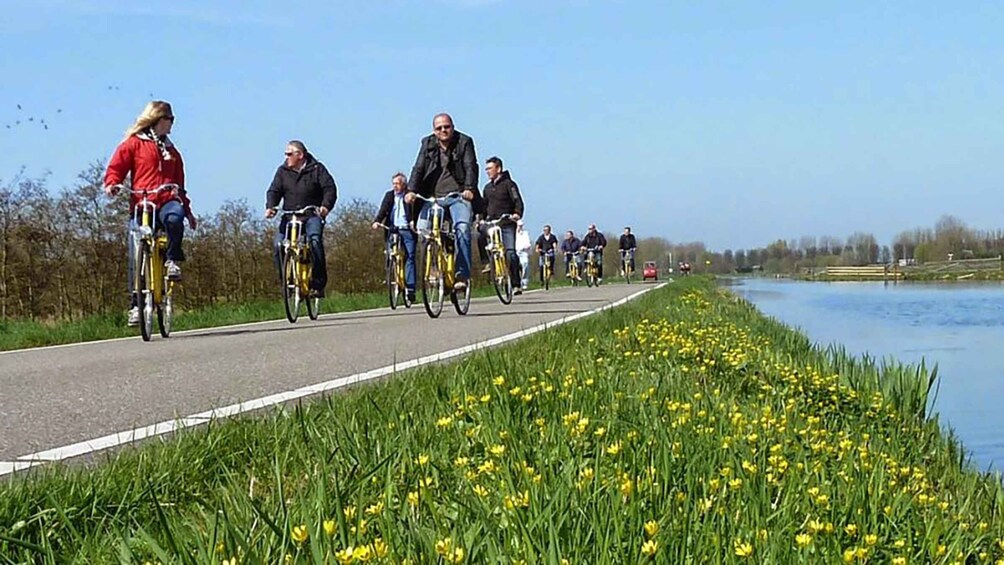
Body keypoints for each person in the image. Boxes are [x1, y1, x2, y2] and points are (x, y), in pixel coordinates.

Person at [104, 100, 196, 327]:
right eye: (170, 119)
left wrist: (188, 210)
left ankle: (173, 260)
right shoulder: (133, 144)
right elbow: (116, 167)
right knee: (136, 254)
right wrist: (113, 183)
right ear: (158, 119)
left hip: (167, 200)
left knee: (175, 219)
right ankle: (136, 305)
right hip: (142, 203)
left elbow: (180, 185)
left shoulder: (172, 151)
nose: (172, 124)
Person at [405, 113, 480, 290]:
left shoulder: (464, 142)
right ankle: (433, 269)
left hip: (458, 196)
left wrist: (469, 188)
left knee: (462, 229)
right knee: (423, 230)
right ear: (434, 131)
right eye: (439, 128)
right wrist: (411, 191)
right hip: (433, 197)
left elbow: (471, 166)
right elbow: (418, 167)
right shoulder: (427, 143)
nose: (443, 130)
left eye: (446, 127)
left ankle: (461, 274)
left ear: (452, 127)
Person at [265, 140, 337, 298]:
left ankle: (318, 283)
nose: (286, 157)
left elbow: (330, 189)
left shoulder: (317, 169)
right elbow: (274, 191)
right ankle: (287, 282)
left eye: (289, 154)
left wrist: (325, 207)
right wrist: (271, 206)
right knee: (278, 245)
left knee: (315, 241)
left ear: (300, 155)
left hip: (311, 215)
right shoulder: (282, 171)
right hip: (290, 217)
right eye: (285, 154)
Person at [479, 156, 524, 294]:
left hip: (506, 223)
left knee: (510, 253)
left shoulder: (509, 184)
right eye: (486, 169)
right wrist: (480, 219)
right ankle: (486, 262)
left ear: (498, 169)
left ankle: (516, 284)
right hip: (492, 223)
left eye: (489, 169)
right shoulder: (487, 188)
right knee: (478, 233)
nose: (487, 171)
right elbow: (483, 206)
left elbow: (518, 201)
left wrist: (516, 214)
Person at [372, 172, 417, 302]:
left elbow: (414, 212)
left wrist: (413, 222)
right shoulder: (389, 195)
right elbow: (383, 210)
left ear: (404, 184)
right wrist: (377, 221)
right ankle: (392, 277)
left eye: (398, 184)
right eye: (394, 184)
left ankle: (411, 288)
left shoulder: (409, 195)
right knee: (390, 254)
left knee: (410, 256)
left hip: (407, 229)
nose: (395, 186)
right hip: (392, 229)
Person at [515, 220, 532, 289]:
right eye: (519, 226)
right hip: (515, 251)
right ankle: (517, 282)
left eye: (521, 226)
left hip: (523, 252)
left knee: (525, 264)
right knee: (515, 267)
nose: (520, 227)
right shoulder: (513, 233)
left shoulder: (525, 233)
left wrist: (526, 246)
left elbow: (528, 243)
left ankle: (524, 282)